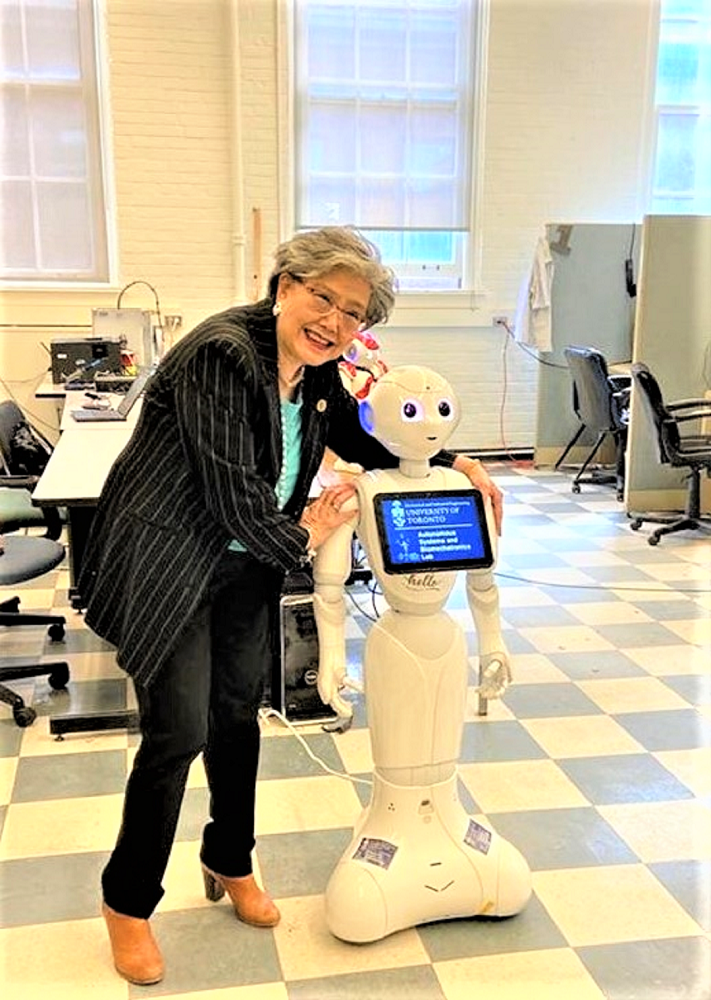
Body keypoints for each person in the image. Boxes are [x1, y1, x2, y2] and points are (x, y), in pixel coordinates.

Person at [77, 225, 504, 985]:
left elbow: (359, 440)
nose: (335, 322)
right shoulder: (221, 354)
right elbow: (234, 494)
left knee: (236, 719)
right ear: (283, 286)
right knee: (176, 733)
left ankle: (228, 859)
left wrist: (452, 463)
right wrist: (305, 535)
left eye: (354, 313)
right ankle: (127, 902)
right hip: (168, 560)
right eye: (323, 299)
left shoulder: (315, 370)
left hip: (242, 566)